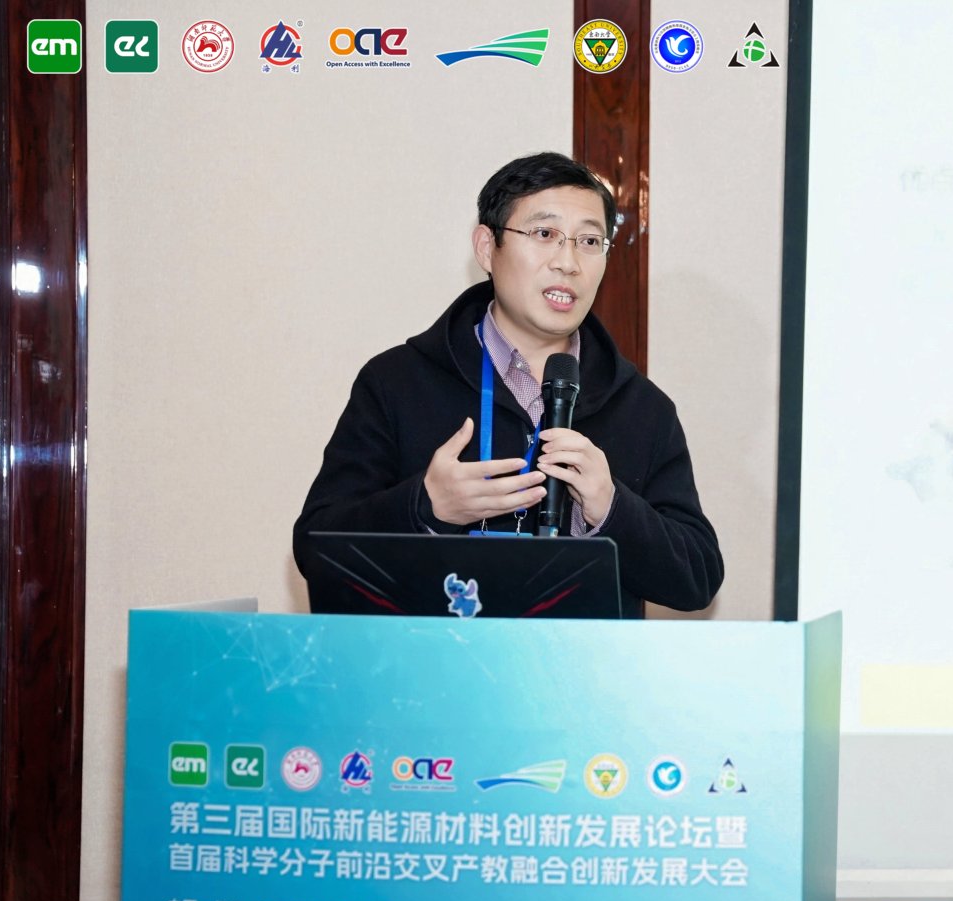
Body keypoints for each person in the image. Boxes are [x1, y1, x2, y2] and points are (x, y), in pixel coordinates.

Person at [293, 152, 722, 616]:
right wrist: (424, 507)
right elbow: (316, 549)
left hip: (577, 663)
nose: (568, 263)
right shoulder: (396, 382)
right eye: (544, 234)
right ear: (486, 248)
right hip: (431, 659)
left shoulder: (642, 408)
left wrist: (612, 508)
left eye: (589, 241)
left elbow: (696, 578)